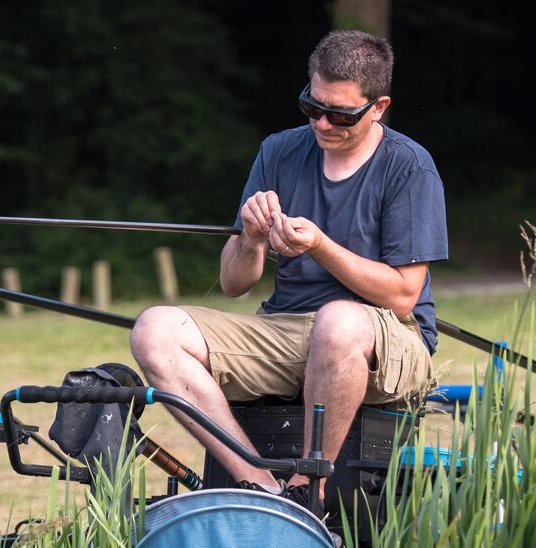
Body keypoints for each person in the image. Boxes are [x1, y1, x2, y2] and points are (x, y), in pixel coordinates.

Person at [129, 30, 447, 503]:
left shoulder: (408, 166)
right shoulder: (278, 151)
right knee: (154, 328)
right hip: (286, 328)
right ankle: (254, 483)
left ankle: (307, 491)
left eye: (341, 114)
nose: (322, 123)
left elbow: (403, 294)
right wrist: (252, 240)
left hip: (388, 335)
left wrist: (320, 245)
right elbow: (236, 283)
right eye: (312, 107)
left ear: (379, 107)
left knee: (338, 321)